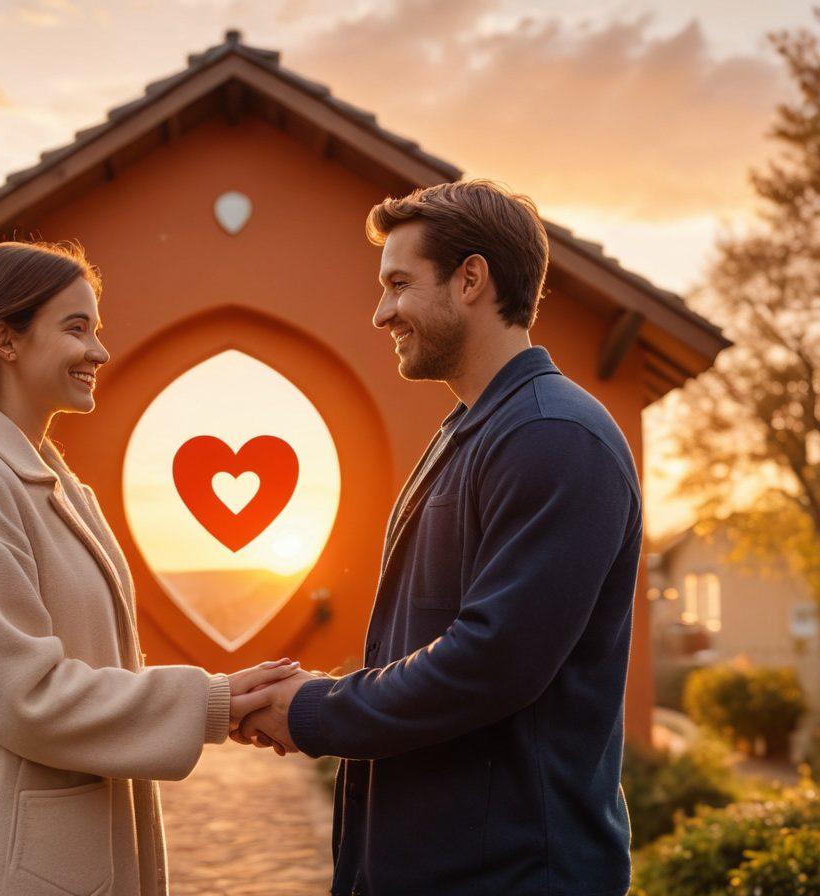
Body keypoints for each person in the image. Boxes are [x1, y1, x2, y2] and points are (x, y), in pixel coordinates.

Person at [238, 180, 643, 896]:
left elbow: (490, 663)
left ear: (471, 280)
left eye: (398, 283)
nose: (380, 312)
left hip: (512, 877)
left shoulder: (553, 437)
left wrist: (314, 710)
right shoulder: (473, 430)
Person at [0, 241, 301, 896]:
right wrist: (210, 702)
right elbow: (24, 695)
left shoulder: (56, 485)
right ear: (6, 339)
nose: (99, 351)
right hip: (3, 869)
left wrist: (221, 697)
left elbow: (93, 673)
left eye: (96, 329)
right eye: (77, 329)